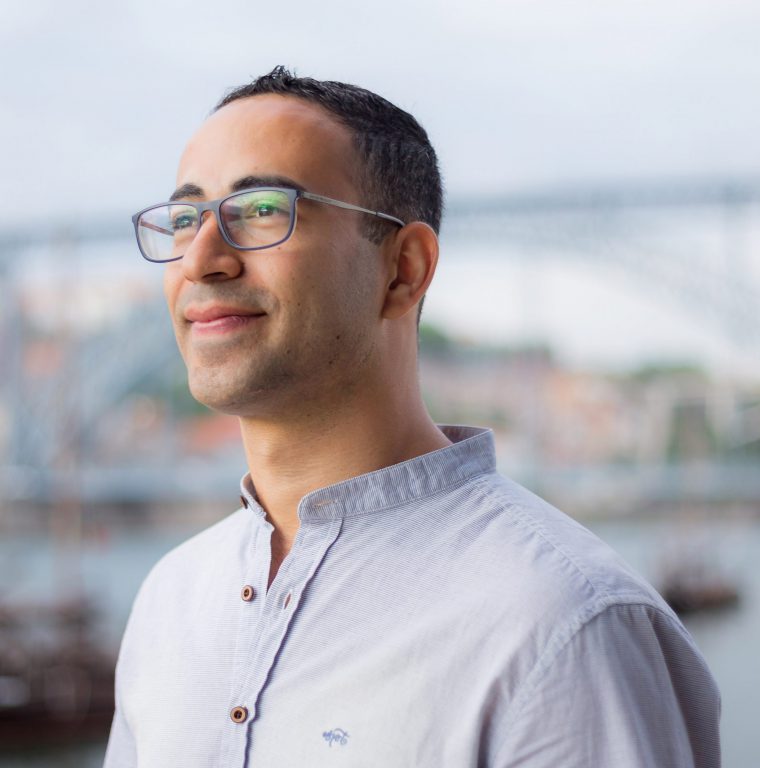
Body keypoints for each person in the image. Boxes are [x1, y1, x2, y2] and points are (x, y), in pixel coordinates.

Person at [105, 66, 720, 767]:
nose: (201, 259)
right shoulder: (170, 600)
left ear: (404, 269)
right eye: (185, 219)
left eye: (264, 210)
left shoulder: (560, 624)